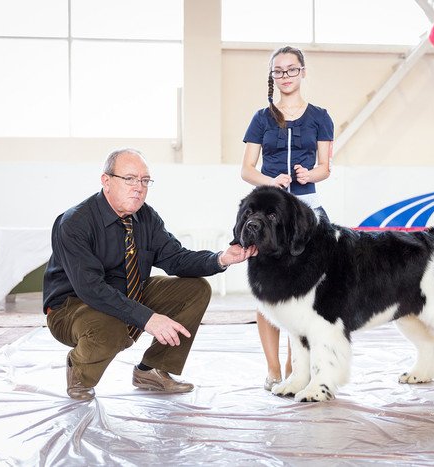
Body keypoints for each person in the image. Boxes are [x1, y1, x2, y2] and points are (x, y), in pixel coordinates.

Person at [43, 148, 256, 400]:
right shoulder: (75, 222)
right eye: (130, 179)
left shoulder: (146, 217)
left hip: (126, 293)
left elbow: (176, 258)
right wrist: (148, 318)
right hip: (73, 306)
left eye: (145, 181)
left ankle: (153, 369)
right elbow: (91, 289)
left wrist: (220, 258)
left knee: (194, 290)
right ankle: (80, 372)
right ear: (106, 181)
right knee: (109, 326)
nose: (139, 187)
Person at [240, 45, 334, 391]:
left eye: (291, 70)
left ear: (302, 72)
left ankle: (300, 369)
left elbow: (326, 167)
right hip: (269, 213)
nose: (285, 76)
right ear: (272, 76)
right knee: (267, 294)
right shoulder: (261, 118)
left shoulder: (321, 116)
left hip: (308, 211)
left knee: (305, 294)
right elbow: (247, 169)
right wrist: (271, 181)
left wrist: (311, 174)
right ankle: (273, 368)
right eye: (278, 71)